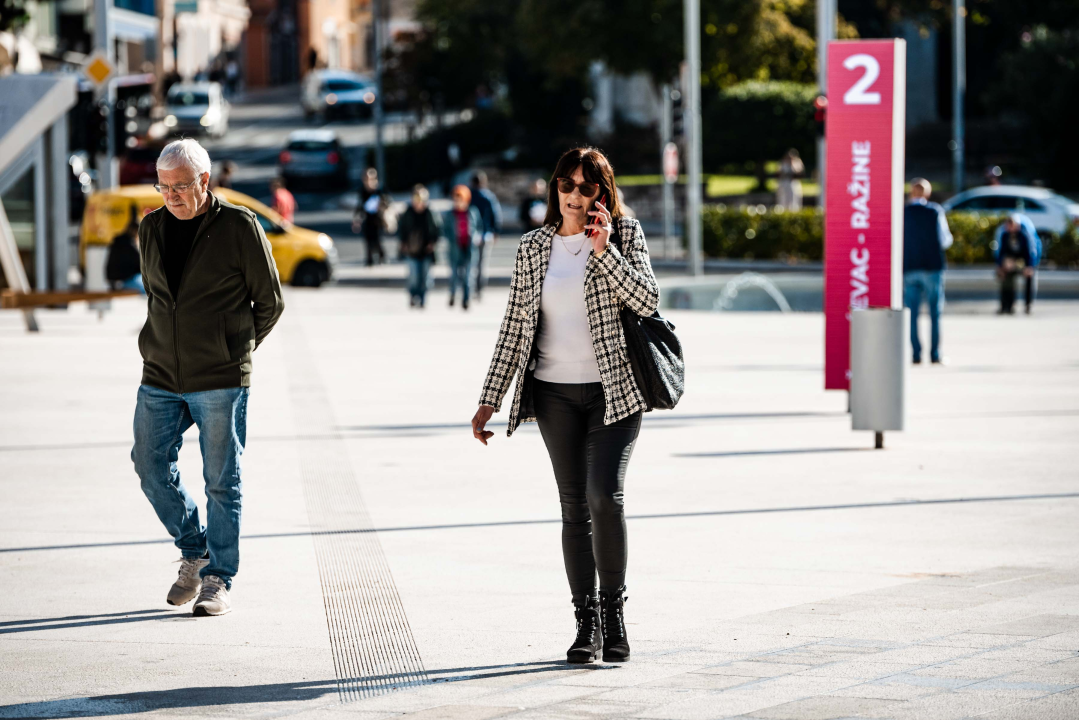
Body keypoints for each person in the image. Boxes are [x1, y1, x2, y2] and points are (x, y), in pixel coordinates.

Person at [471, 147, 659, 664]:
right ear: (555, 187)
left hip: (614, 393)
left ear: (603, 193)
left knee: (605, 497)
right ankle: (586, 624)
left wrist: (605, 251)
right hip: (554, 394)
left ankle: (615, 615)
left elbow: (648, 301)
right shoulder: (533, 247)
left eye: (586, 187)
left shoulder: (625, 235)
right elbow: (514, 326)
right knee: (574, 507)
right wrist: (489, 399)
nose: (574, 195)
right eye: (566, 184)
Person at [132, 138, 284, 617]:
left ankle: (218, 578)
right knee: (149, 465)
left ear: (204, 180)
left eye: (179, 186)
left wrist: (232, 351)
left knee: (222, 480)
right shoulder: (151, 227)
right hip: (160, 373)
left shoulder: (239, 226)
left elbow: (270, 302)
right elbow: (157, 297)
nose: (170, 196)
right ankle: (194, 550)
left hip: (220, 377)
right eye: (163, 187)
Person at [903, 178, 953, 365]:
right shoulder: (935, 211)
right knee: (935, 313)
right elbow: (945, 240)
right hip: (932, 267)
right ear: (927, 193)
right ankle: (935, 354)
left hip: (910, 267)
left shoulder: (904, 212)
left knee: (912, 314)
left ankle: (916, 354)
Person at [398, 184, 441, 308]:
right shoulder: (408, 212)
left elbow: (438, 229)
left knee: (426, 277)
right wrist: (403, 243)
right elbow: (401, 229)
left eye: (422, 199)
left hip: (426, 251)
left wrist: (433, 243)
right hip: (411, 250)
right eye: (416, 198)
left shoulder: (430, 213)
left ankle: (422, 298)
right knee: (414, 276)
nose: (419, 202)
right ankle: (413, 295)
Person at [443, 184, 481, 310]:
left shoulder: (472, 212)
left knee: (468, 275)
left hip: (470, 248)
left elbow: (479, 227)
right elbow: (445, 230)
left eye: (460, 199)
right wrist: (450, 238)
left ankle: (466, 299)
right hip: (455, 248)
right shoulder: (450, 214)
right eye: (456, 199)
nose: (458, 202)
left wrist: (476, 237)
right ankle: (453, 294)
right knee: (454, 275)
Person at [994, 213, 1041, 315]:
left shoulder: (1024, 235)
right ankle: (1006, 306)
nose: (1010, 228)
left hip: (1023, 262)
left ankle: (1028, 305)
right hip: (1010, 263)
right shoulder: (1005, 235)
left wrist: (1030, 266)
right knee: (1005, 278)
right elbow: (1000, 252)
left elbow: (1031, 252)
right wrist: (1001, 265)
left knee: (1029, 278)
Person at [469, 171, 502, 299]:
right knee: (482, 263)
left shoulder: (468, 195)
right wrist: (496, 231)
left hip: (471, 233)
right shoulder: (489, 196)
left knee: (471, 262)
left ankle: (470, 287)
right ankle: (479, 289)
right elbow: (496, 214)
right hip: (486, 233)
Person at [107, 206, 145, 294]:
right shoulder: (128, 244)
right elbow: (139, 265)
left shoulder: (119, 241)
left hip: (117, 280)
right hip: (123, 281)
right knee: (149, 288)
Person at [353, 168, 386, 266]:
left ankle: (381, 256)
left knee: (377, 240)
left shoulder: (378, 190)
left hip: (378, 219)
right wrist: (356, 220)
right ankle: (369, 260)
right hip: (367, 219)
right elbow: (360, 206)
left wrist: (380, 206)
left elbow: (386, 202)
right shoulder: (363, 190)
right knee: (368, 240)